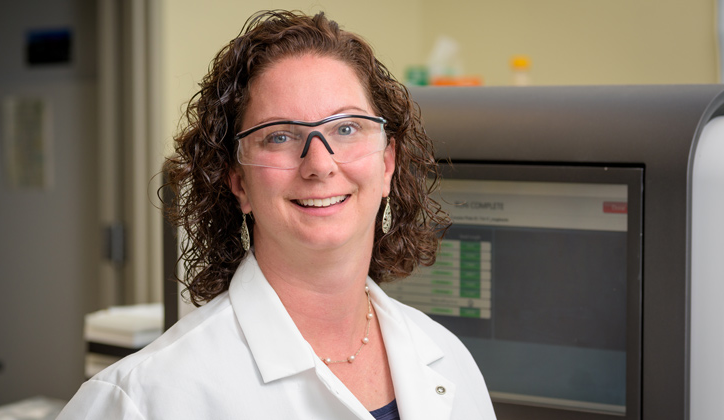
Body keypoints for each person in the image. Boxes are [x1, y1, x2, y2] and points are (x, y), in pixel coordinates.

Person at [57, 10, 496, 420]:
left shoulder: (447, 358)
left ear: (386, 164)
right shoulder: (144, 398)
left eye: (346, 128)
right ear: (239, 183)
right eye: (280, 136)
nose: (320, 165)